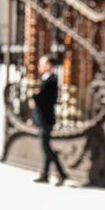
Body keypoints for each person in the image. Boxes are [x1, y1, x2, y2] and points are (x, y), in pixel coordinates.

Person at [31, 54, 66, 185]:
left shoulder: (52, 80)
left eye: (42, 64)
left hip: (46, 118)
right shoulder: (46, 79)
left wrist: (36, 95)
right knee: (46, 146)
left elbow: (46, 100)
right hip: (43, 118)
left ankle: (62, 173)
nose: (40, 67)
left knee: (46, 147)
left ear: (49, 65)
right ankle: (45, 174)